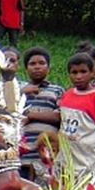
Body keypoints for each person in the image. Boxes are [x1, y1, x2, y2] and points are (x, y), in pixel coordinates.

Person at [60, 52, 95, 179]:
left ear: (93, 72)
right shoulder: (67, 95)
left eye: (83, 72)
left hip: (90, 161)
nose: (78, 76)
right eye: (74, 72)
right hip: (69, 159)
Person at [18, 46, 64, 180]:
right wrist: (21, 92)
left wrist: (30, 115)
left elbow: (60, 116)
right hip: (23, 157)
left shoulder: (57, 91)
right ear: (26, 69)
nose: (37, 67)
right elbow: (9, 113)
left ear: (48, 68)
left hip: (48, 155)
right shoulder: (18, 92)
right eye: (32, 64)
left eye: (41, 63)